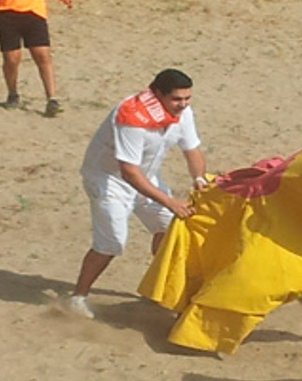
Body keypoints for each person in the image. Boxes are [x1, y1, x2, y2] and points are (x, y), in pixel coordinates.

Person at [69, 69, 210, 319]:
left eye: (187, 98)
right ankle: (78, 297)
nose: (183, 104)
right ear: (158, 94)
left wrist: (199, 178)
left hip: (147, 176)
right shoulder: (131, 117)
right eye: (177, 99)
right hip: (109, 180)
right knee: (112, 241)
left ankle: (155, 288)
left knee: (170, 230)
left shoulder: (184, 113)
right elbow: (128, 172)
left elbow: (193, 150)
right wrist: (169, 201)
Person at [0, 0, 72, 117]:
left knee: (43, 55)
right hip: (7, 10)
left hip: (34, 11)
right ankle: (13, 94)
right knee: (11, 59)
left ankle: (52, 99)